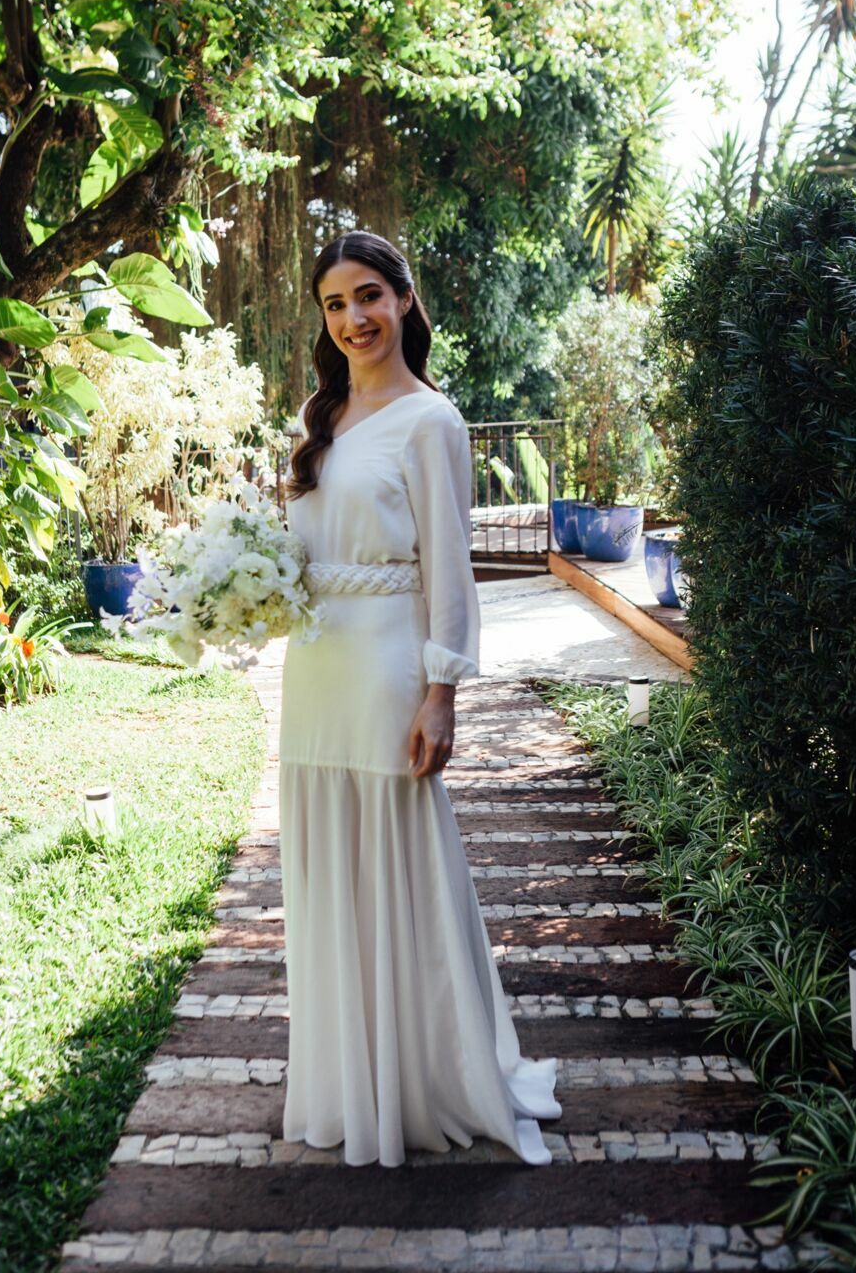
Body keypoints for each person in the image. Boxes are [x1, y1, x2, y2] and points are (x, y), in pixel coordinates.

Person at [278, 228, 561, 1168]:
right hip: (315, 671)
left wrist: (442, 694)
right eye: (334, 303)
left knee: (396, 868)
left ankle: (419, 1078)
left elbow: (450, 570)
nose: (353, 318)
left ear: (402, 299)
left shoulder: (430, 420)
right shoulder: (322, 415)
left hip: (389, 667)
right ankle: (346, 1078)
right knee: (329, 873)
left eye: (368, 296)